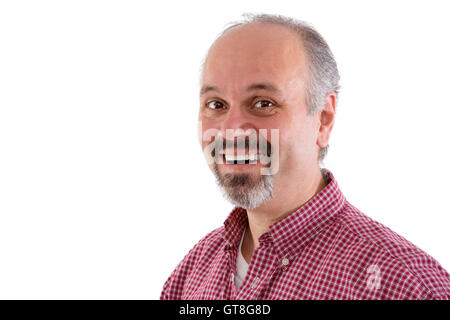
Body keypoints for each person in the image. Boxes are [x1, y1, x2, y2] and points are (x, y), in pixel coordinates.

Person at [160, 13, 450, 299]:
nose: (232, 131)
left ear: (323, 119)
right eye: (216, 104)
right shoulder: (191, 274)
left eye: (263, 103)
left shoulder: (402, 285)